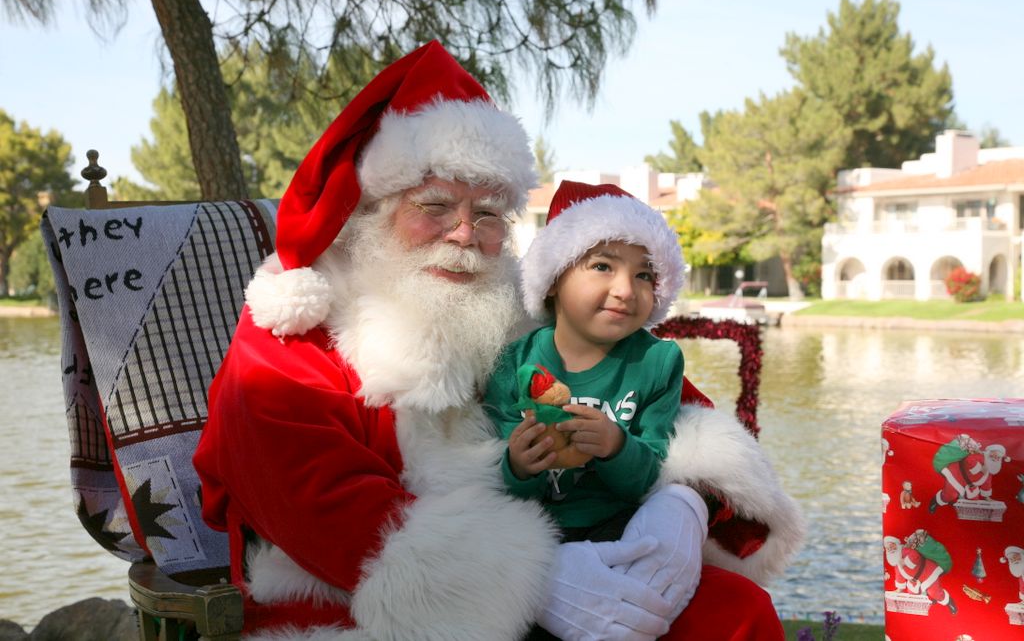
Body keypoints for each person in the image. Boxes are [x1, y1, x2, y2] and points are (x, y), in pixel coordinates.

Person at [193, 40, 802, 641]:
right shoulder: (296, 321)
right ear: (372, 209)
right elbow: (315, 498)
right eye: (435, 205)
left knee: (732, 612)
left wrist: (683, 507)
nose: (463, 233)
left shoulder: (518, 306)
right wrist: (538, 581)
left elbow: (663, 405)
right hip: (361, 594)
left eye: (487, 214)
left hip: (567, 547)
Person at [484, 181, 706, 627]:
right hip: (539, 535)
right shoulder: (514, 362)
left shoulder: (657, 361)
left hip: (623, 526)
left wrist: (616, 446)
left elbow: (650, 473)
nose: (626, 289)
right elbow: (496, 483)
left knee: (679, 508)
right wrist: (520, 466)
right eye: (603, 266)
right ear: (552, 281)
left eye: (644, 274)